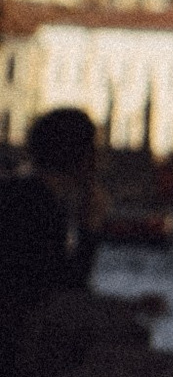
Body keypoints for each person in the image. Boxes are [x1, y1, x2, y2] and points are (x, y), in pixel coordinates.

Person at [0, 104, 102, 297]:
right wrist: (90, 227)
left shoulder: (22, 194)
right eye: (95, 149)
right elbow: (62, 290)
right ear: (81, 156)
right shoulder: (40, 206)